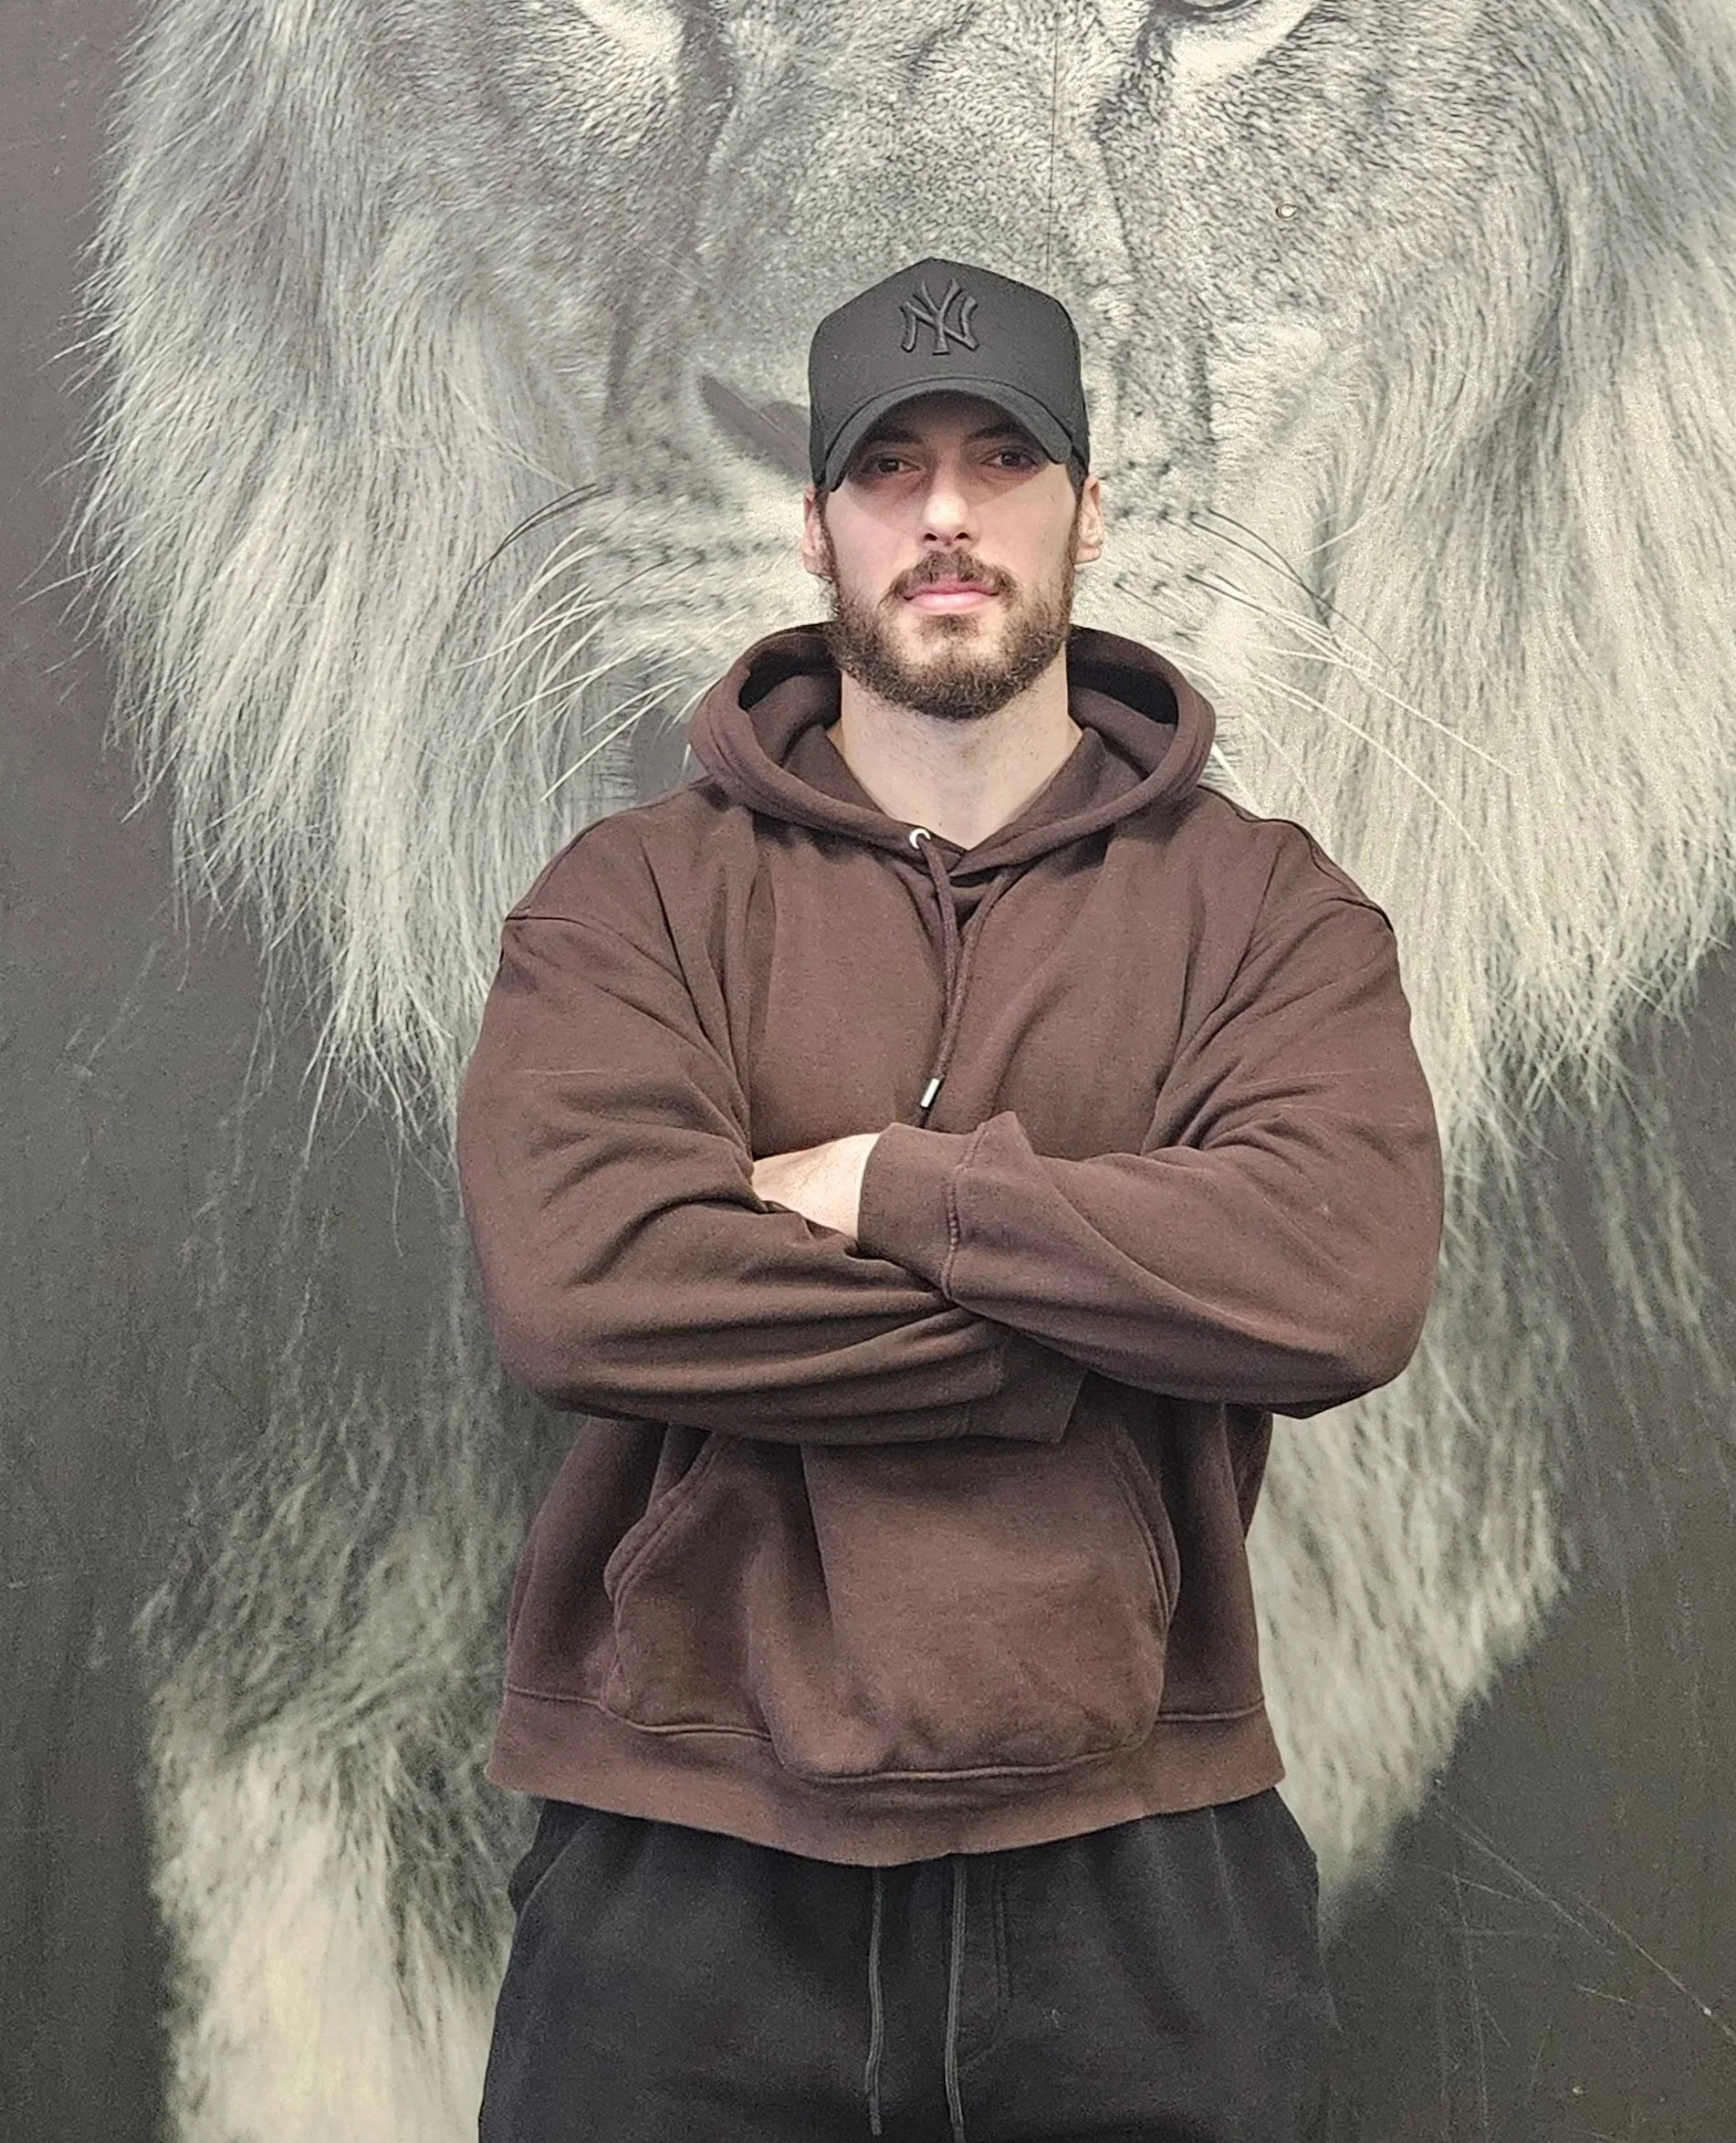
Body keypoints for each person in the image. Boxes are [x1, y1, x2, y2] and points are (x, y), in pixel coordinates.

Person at [456, 256, 1445, 2143]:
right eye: (888, 466)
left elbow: (1338, 1281)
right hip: (686, 1848)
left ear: (1091, 508)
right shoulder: (632, 896)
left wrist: (880, 1186)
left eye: (1002, 458)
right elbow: (586, 1288)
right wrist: (1078, 1332)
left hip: (1138, 1857)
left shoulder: (1268, 909)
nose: (944, 515)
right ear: (814, 523)